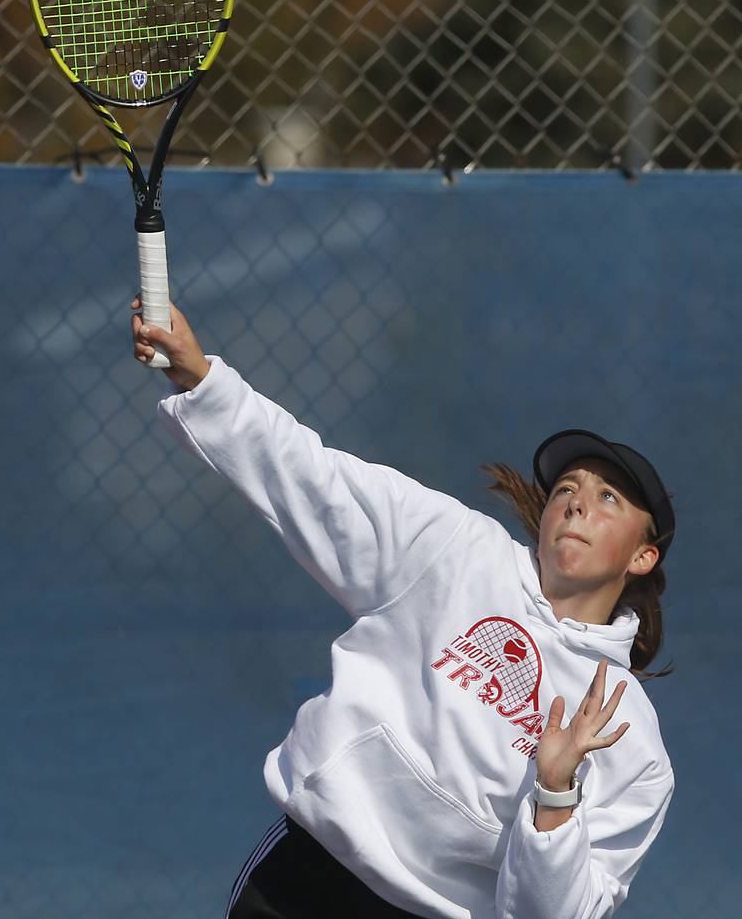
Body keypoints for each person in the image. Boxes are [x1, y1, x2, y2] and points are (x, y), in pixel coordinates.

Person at [131, 299, 675, 919]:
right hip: (306, 879)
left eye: (608, 498)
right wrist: (203, 379)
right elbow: (316, 481)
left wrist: (555, 797)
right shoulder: (453, 548)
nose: (577, 504)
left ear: (642, 557)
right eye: (567, 490)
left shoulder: (633, 743)